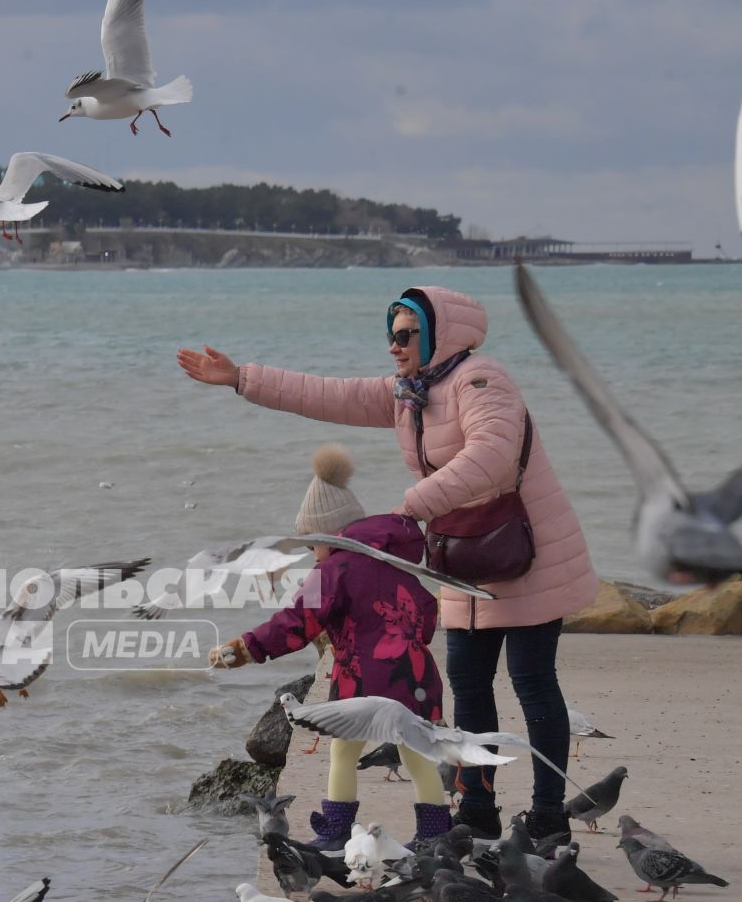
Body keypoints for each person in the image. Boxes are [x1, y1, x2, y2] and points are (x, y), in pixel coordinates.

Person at [179, 286, 597, 842]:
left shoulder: (482, 381)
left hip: (528, 552)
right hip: (461, 560)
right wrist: (241, 379)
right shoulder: (411, 393)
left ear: (438, 334)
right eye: (390, 335)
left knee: (532, 682)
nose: (395, 347)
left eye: (406, 335)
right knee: (469, 685)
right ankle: (478, 808)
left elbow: (492, 456)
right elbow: (330, 395)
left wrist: (411, 506)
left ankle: (549, 816)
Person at [209, 444, 451, 849]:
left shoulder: (332, 570)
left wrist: (245, 649)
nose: (311, 554)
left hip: (358, 681)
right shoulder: (394, 561)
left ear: (327, 536)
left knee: (342, 753)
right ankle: (434, 835)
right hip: (415, 676)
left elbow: (296, 623)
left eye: (310, 544)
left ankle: (335, 831)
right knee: (417, 755)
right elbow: (426, 613)